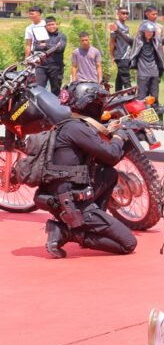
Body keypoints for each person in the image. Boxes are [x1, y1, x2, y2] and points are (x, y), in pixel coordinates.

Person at [35, 81, 137, 259]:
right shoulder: (76, 128)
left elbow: (107, 161)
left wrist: (124, 139)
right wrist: (119, 137)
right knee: (128, 243)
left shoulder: (70, 125)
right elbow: (112, 154)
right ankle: (67, 232)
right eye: (98, 102)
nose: (101, 106)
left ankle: (87, 223)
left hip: (63, 196)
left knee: (108, 174)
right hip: (71, 203)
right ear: (88, 104)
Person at [32, 16, 67, 95]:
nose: (51, 26)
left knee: (55, 91)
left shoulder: (61, 36)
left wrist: (45, 45)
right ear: (45, 26)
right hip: (41, 66)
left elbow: (60, 48)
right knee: (39, 89)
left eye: (53, 24)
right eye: (49, 25)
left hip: (56, 67)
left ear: (56, 24)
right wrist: (54, 46)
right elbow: (36, 47)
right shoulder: (41, 35)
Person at [108, 7, 135, 91]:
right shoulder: (115, 26)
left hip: (127, 55)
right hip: (120, 55)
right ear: (118, 14)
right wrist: (112, 55)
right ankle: (131, 94)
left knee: (120, 76)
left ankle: (117, 94)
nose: (125, 15)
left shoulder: (126, 27)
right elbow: (112, 41)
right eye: (123, 13)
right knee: (125, 76)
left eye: (127, 13)